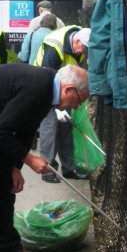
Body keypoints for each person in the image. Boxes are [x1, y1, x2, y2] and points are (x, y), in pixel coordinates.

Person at [0, 63, 89, 252]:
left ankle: (9, 246)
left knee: (5, 188)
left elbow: (25, 129)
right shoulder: (38, 88)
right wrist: (30, 160)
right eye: (78, 101)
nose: (75, 107)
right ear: (68, 89)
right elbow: (1, 132)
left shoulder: (47, 90)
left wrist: (15, 166)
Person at [34, 26, 91, 183]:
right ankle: (47, 169)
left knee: (66, 128)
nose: (83, 53)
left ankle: (69, 168)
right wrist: (57, 107)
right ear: (77, 40)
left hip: (65, 89)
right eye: (83, 49)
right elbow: (47, 75)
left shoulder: (79, 48)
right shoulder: (55, 47)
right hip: (45, 88)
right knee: (49, 127)